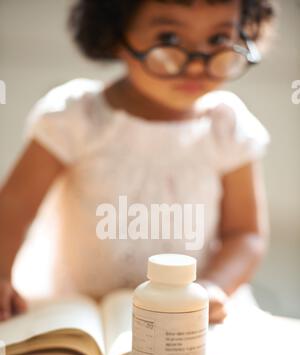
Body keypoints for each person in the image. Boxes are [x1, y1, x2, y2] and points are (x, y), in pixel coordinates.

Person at [0, 0, 275, 323]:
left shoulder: (227, 127)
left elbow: (245, 234)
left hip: (187, 315)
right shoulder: (75, 117)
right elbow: (14, 209)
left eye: (217, 40)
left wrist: (214, 287)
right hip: (77, 308)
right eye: (170, 38)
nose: (198, 63)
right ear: (115, 35)